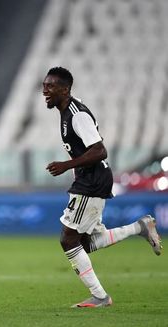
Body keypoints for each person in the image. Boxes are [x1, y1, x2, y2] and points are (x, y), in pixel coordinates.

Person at [43, 66, 163, 308]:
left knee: (68, 240)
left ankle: (100, 296)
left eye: (51, 86)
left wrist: (67, 165)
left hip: (92, 180)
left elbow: (99, 150)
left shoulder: (77, 114)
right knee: (84, 243)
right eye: (44, 86)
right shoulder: (67, 110)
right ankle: (140, 227)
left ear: (65, 90)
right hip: (89, 179)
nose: (45, 90)